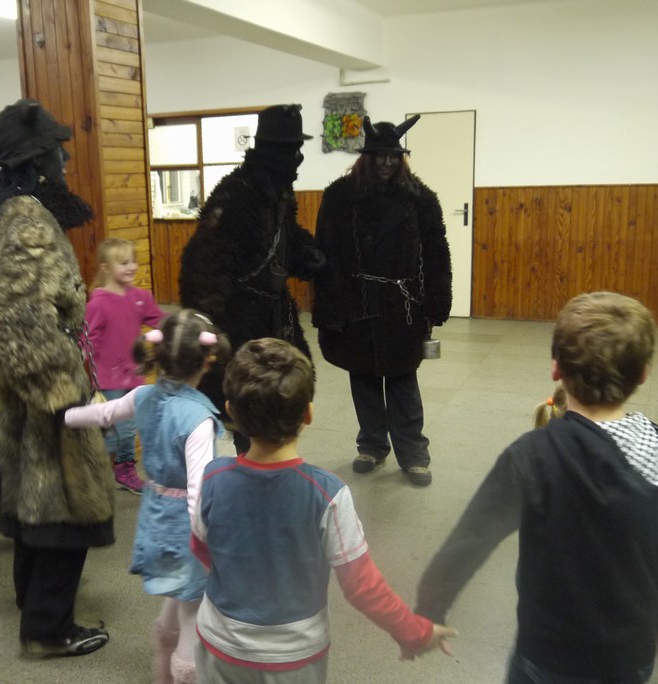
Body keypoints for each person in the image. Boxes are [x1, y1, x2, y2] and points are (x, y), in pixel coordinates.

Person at [416, 292, 658, 684]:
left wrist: (429, 610)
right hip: (629, 657)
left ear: (556, 369)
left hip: (548, 655)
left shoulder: (534, 455)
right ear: (643, 375)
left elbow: (470, 539)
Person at [191, 338, 457, 682]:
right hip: (294, 656)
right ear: (308, 414)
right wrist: (414, 633)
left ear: (230, 410)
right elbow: (361, 585)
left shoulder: (213, 478)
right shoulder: (327, 494)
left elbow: (202, 547)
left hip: (219, 644)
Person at [0, 98, 113, 655]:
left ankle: (35, 607)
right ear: (36, 159)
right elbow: (23, 316)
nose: (64, 159)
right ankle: (49, 631)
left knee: (31, 500)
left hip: (11, 379)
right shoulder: (25, 215)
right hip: (39, 381)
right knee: (64, 508)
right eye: (56, 151)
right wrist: (65, 396)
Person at [66, 309, 229, 684]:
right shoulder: (199, 419)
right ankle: (184, 674)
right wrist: (209, 544)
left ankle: (162, 674)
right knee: (192, 614)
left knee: (177, 599)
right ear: (206, 361)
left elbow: (104, 413)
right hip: (187, 531)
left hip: (156, 517)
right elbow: (199, 493)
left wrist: (64, 416)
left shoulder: (143, 395)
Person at [312, 115, 452, 487]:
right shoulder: (340, 197)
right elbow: (326, 253)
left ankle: (414, 454)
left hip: (403, 305)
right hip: (355, 301)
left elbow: (437, 253)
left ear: (401, 158)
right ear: (367, 157)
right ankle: (372, 446)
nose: (387, 163)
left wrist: (436, 303)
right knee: (364, 378)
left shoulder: (420, 199)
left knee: (403, 380)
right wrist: (329, 307)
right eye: (380, 156)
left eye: (394, 156)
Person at [179, 103, 325, 454]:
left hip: (274, 313)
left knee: (280, 394)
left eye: (299, 149)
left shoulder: (278, 192)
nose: (298, 159)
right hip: (239, 319)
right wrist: (214, 332)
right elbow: (203, 268)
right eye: (290, 150)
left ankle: (271, 458)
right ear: (269, 152)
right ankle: (253, 464)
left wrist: (307, 254)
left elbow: (285, 238)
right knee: (249, 398)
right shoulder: (235, 195)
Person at [85, 238, 166, 494]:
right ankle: (106, 468)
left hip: (134, 375)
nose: (131, 266)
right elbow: (87, 339)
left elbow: (160, 320)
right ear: (105, 268)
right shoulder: (98, 303)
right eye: (123, 262)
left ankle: (119, 469)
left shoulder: (140, 297)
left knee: (126, 427)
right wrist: (78, 362)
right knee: (120, 428)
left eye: (133, 261)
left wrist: (184, 327)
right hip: (108, 380)